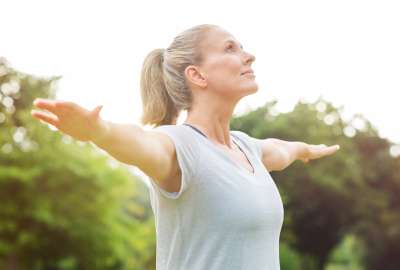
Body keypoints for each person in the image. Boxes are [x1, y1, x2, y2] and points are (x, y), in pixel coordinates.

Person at [31, 24, 340, 270]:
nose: (248, 56)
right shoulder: (180, 146)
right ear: (196, 74)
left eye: (242, 47)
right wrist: (100, 131)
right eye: (230, 48)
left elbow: (283, 150)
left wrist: (307, 150)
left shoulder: (249, 149)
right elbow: (141, 143)